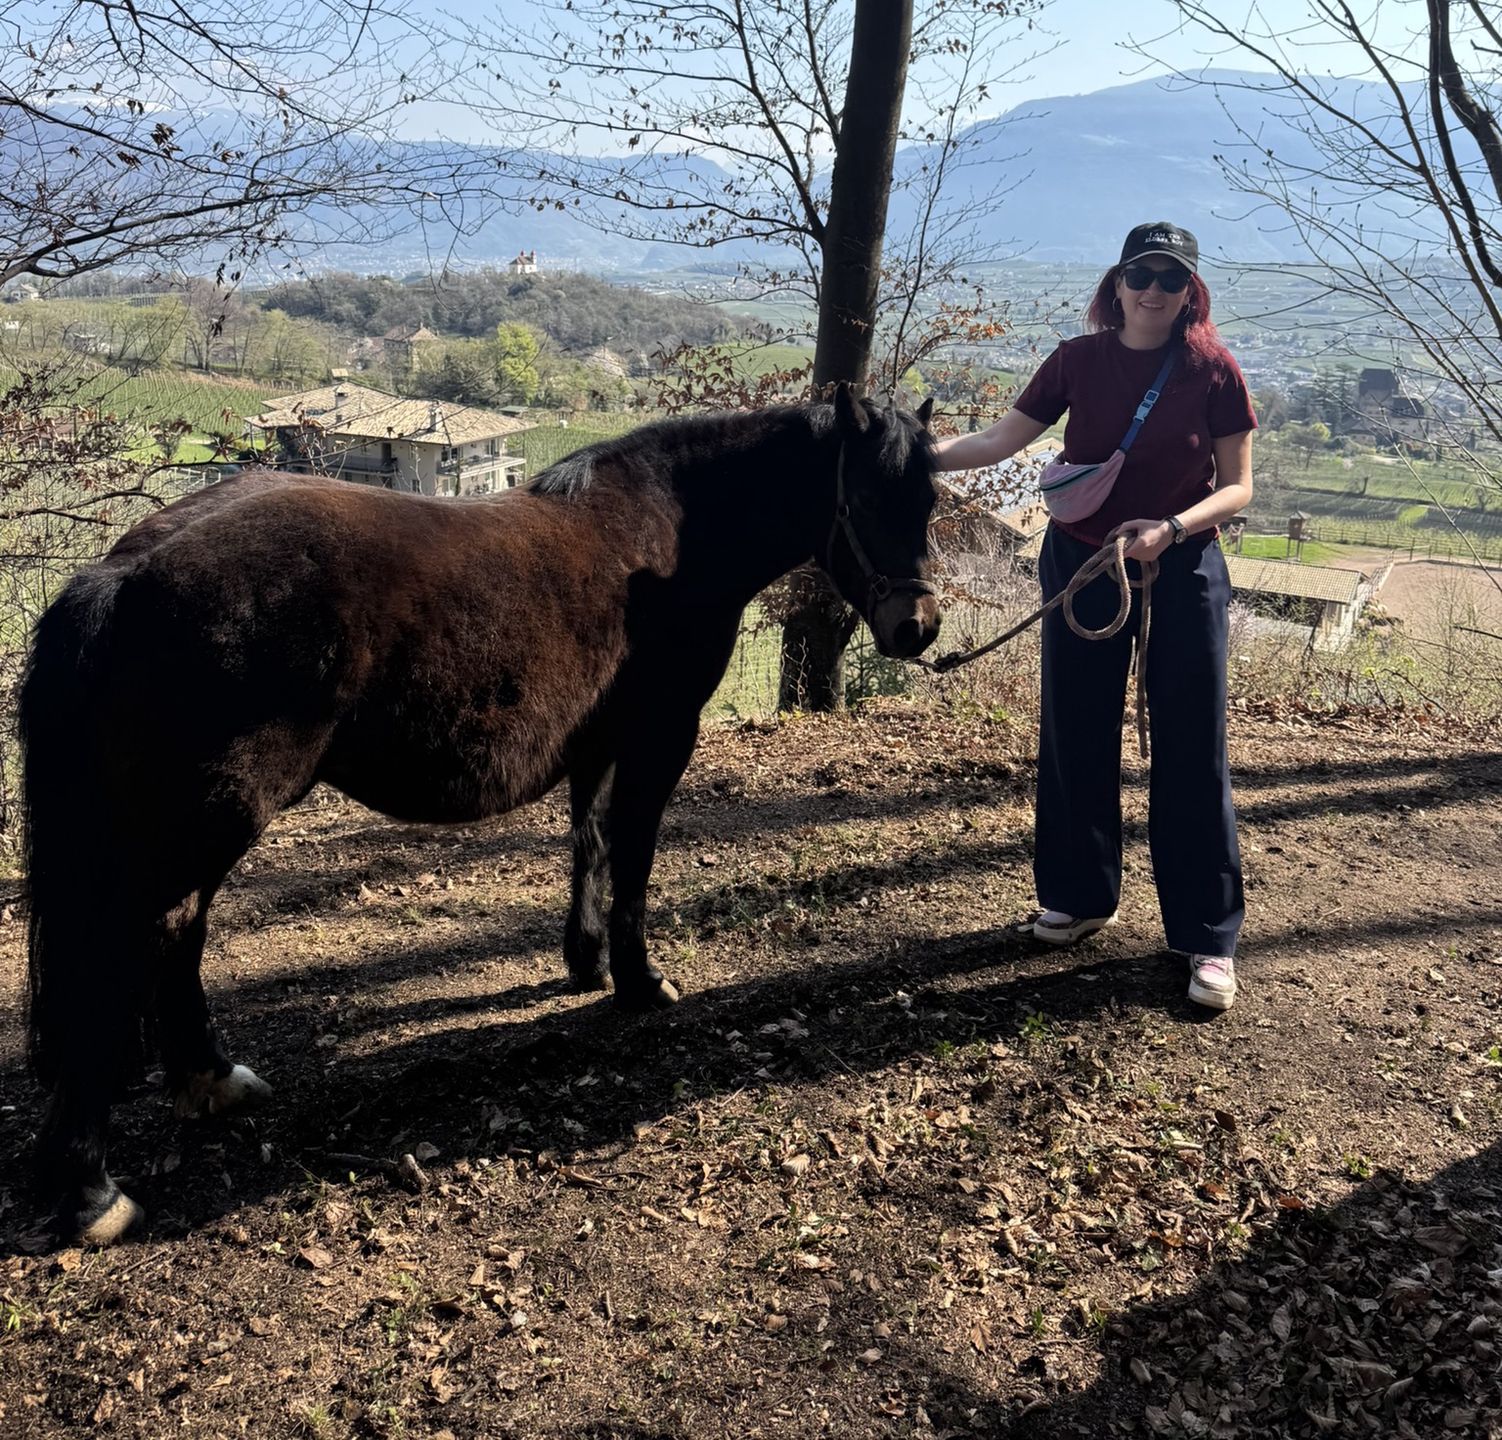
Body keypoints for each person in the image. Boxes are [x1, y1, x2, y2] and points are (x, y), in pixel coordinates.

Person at [932, 222, 1255, 1011]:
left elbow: (1239, 485)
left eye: (1169, 279)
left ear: (1190, 293)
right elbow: (1006, 438)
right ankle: (1080, 899)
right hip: (1081, 563)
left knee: (1190, 743)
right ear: (1115, 284)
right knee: (1074, 729)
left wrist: (1170, 530)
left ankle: (1207, 939)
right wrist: (912, 453)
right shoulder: (1077, 360)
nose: (1153, 289)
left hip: (1182, 568)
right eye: (1139, 273)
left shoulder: (1213, 370)